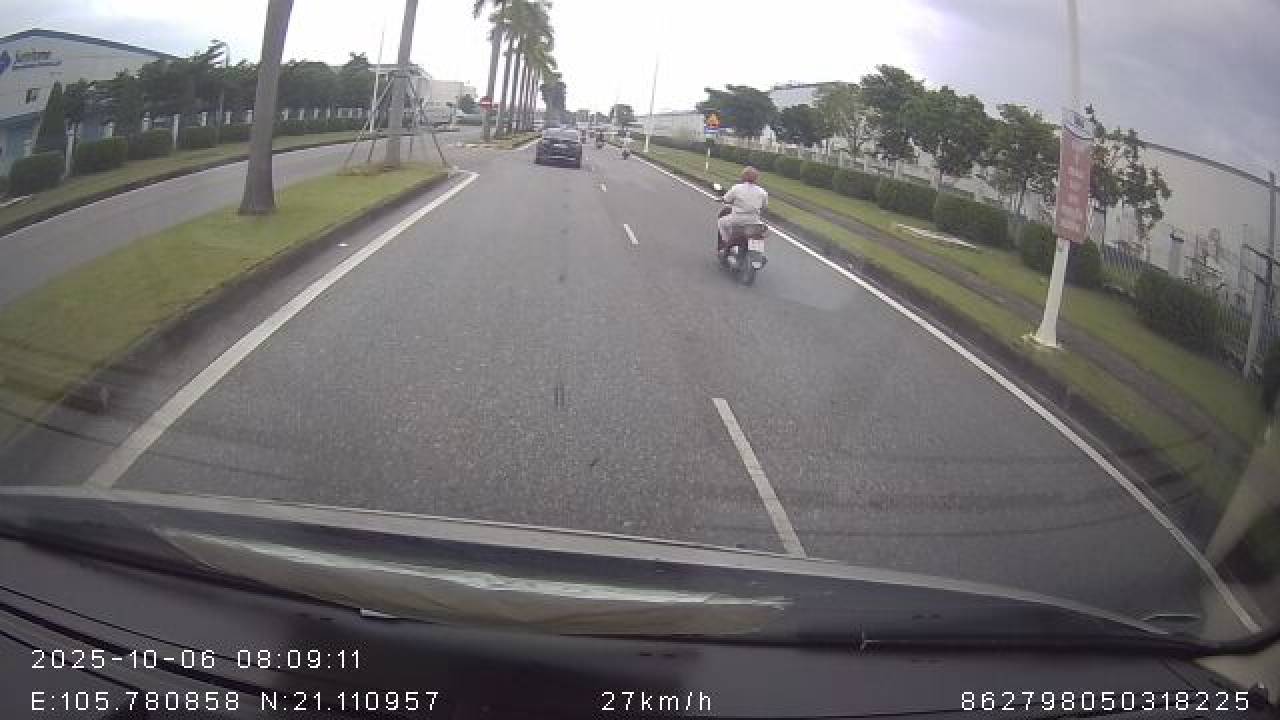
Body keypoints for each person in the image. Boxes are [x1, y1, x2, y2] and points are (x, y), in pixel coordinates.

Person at [717, 166, 768, 253]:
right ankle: (755, 250)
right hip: (754, 221)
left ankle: (726, 245)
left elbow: (726, 199)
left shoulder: (737, 188)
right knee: (759, 231)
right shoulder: (763, 192)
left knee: (721, 223)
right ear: (756, 178)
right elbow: (764, 207)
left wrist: (720, 199)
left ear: (744, 176)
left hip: (737, 219)